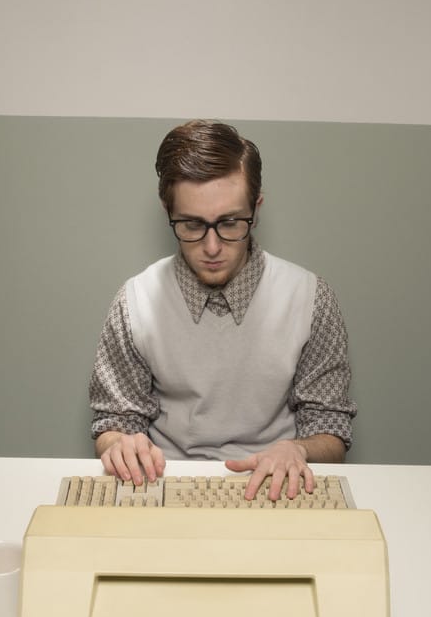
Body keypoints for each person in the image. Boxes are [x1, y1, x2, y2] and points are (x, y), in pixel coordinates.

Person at [89, 120, 357, 501]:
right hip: (165, 484)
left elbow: (331, 428)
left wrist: (298, 449)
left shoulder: (311, 299)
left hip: (275, 485)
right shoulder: (135, 302)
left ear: (256, 208)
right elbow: (115, 420)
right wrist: (120, 445)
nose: (212, 247)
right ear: (169, 211)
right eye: (192, 224)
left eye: (230, 222)